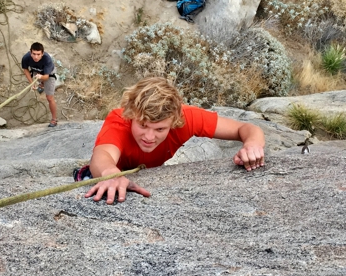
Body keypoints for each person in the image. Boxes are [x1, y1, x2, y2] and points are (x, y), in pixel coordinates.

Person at [74, 77, 265, 204]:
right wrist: (112, 174)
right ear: (131, 114)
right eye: (142, 125)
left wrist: (252, 145)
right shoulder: (120, 120)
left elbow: (246, 129)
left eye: (160, 129)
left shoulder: (186, 118)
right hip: (112, 172)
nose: (149, 137)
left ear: (174, 121)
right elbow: (103, 155)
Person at [21, 42, 58, 127]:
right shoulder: (26, 58)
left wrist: (41, 77)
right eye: (34, 54)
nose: (36, 57)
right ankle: (41, 84)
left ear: (42, 54)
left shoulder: (47, 59)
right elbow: (25, 69)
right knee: (38, 77)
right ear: (30, 53)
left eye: (38, 54)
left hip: (48, 74)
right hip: (37, 70)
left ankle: (54, 119)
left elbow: (46, 77)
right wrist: (31, 83)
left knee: (49, 98)